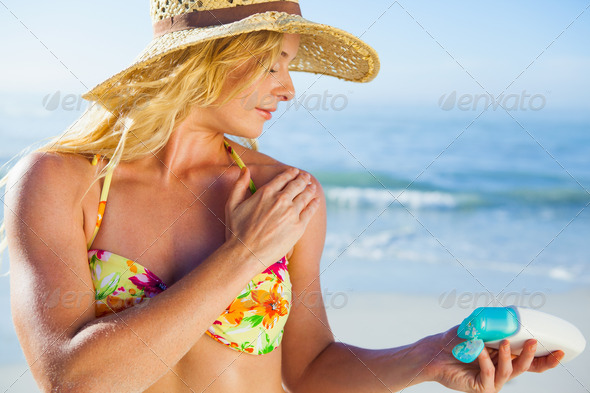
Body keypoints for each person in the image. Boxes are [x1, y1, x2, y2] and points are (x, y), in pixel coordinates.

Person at [1, 1, 562, 392]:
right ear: (207, 59)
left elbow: (311, 368)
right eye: (274, 65)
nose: (289, 88)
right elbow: (72, 381)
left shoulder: (287, 194)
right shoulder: (61, 181)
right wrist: (241, 255)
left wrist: (425, 358)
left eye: (289, 67)